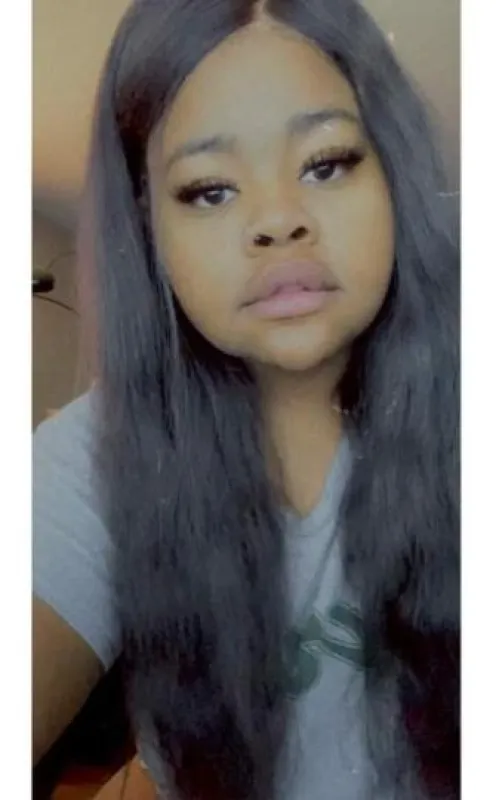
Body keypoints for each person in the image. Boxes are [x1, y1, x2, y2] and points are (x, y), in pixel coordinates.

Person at [33, 0, 460, 798]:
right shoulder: (94, 456)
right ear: (149, 231)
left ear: (393, 177)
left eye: (325, 162)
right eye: (208, 190)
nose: (275, 219)